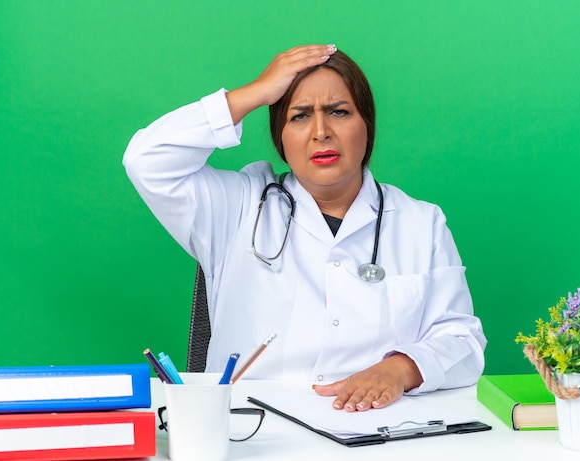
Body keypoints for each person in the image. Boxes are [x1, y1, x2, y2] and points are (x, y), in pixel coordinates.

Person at [123, 44, 486, 412]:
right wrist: (254, 93)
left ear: (367, 126)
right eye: (299, 116)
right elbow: (145, 160)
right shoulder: (237, 205)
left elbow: (462, 341)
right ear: (280, 136)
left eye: (339, 112)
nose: (320, 132)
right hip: (252, 430)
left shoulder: (421, 223)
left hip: (375, 428)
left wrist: (401, 368)